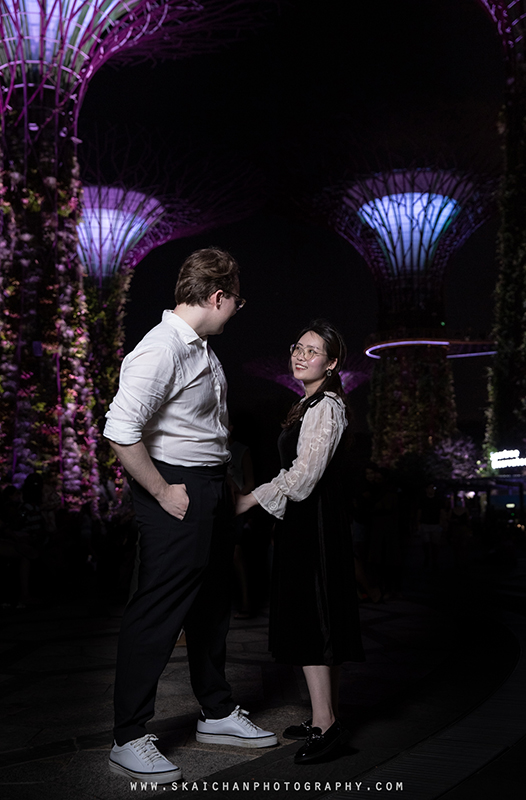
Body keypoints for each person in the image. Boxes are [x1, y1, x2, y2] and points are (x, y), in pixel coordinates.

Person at [104, 247, 277, 785]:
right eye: (237, 301)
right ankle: (129, 737)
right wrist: (162, 492)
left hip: (207, 487)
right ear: (218, 296)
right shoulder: (160, 349)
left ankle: (217, 712)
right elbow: (119, 430)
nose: (236, 310)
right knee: (157, 612)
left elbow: (197, 429)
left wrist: (219, 479)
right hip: (175, 492)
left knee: (210, 606)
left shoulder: (198, 347)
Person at [236, 320, 364, 764]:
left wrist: (249, 499)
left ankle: (327, 726)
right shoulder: (309, 403)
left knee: (316, 622)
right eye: (298, 347)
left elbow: (305, 479)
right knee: (312, 619)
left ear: (331, 364)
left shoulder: (326, 406)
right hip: (305, 523)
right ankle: (321, 716)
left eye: (313, 351)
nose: (300, 355)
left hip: (314, 524)